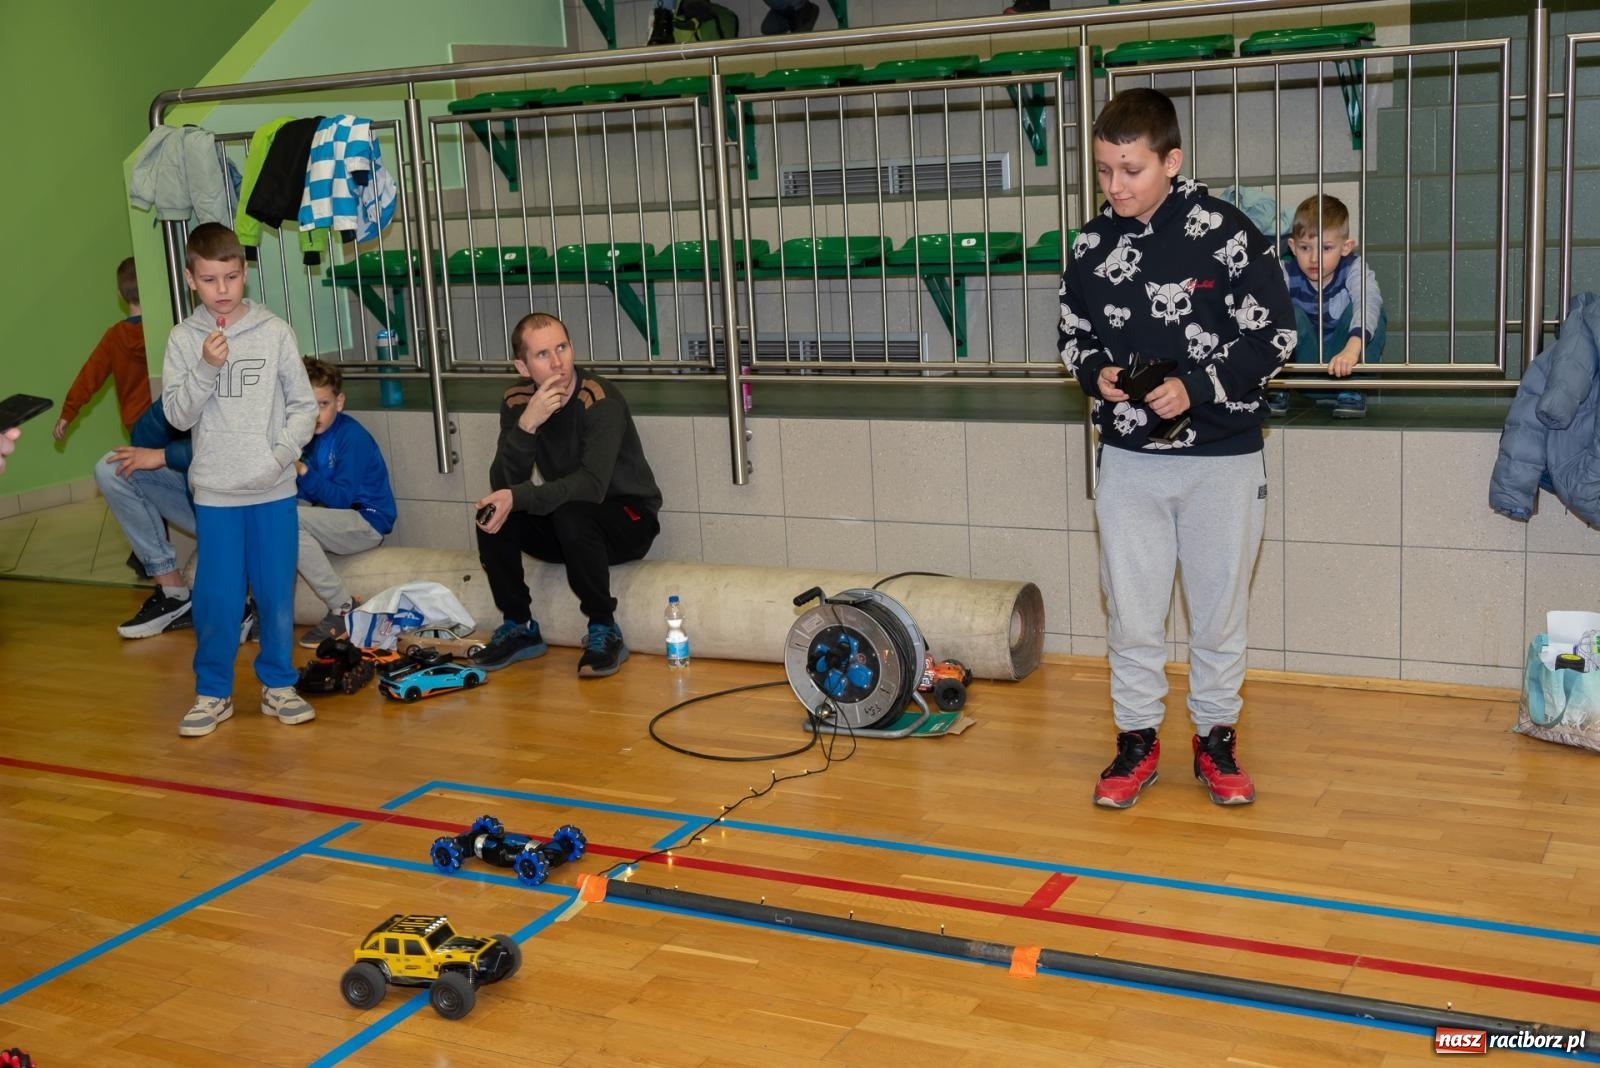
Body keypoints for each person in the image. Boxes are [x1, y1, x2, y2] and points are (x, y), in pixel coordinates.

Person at [1058, 87, 1297, 809]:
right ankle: (1136, 743)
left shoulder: (1227, 233)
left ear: (1172, 160)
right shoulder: (1090, 246)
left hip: (1223, 459)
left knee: (1218, 613)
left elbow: (1275, 336)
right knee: (1132, 613)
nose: (1115, 186)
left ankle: (1216, 742)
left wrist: (1198, 385)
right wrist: (1091, 372)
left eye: (1130, 170)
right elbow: (1073, 337)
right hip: (1130, 462)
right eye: (1103, 170)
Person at [162, 223, 317, 737]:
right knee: (218, 598)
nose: (222, 289)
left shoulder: (274, 331)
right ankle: (213, 694)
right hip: (217, 494)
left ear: (244, 273)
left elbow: (303, 403)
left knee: (275, 593)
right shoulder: (184, 339)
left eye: (230, 276)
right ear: (191, 280)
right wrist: (206, 367)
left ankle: (278, 685)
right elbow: (178, 417)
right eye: (209, 279)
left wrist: (280, 455)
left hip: (273, 490)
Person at [471, 312, 662, 678]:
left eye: (562, 347)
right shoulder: (516, 401)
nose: (558, 362)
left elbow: (592, 485)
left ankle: (604, 628)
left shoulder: (600, 398)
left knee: (571, 512)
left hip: (627, 519)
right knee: (492, 513)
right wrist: (528, 424)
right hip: (566, 521)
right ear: (522, 366)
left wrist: (522, 497)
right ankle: (519, 626)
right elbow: (503, 483)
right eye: (543, 354)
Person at [294, 357, 396, 647]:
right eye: (306, 405)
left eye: (322, 404)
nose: (314, 414)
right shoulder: (302, 434)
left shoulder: (352, 436)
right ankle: (263, 608)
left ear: (339, 402)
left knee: (284, 518)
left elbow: (340, 499)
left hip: (366, 522)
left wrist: (301, 469)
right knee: (270, 514)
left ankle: (342, 607)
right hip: (329, 520)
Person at [1267, 194, 1387, 419]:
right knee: (1280, 311)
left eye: (1326, 248)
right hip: (1300, 373)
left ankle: (1353, 389)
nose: (1314, 258)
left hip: (1345, 365)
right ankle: (1276, 386)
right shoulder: (1284, 271)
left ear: (1346, 247)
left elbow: (1369, 301)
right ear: (1292, 246)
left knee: (1372, 310)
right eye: (1305, 248)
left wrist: (1352, 349)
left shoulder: (1354, 267)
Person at [95, 398, 198, 638]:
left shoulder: (249, 380)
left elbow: (234, 450)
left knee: (215, 596)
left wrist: (165, 455)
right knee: (114, 468)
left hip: (256, 510)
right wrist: (171, 402)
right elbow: (140, 442)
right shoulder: (194, 378)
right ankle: (173, 593)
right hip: (202, 503)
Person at [54, 257, 152, 442]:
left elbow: (89, 376)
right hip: (168, 421)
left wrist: (68, 413)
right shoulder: (164, 330)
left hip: (137, 425)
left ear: (120, 294)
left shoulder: (114, 337)